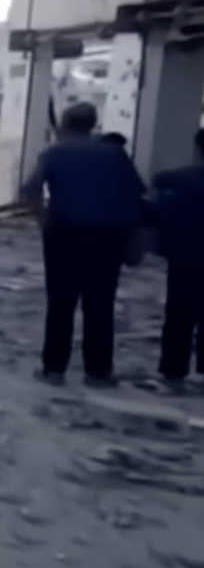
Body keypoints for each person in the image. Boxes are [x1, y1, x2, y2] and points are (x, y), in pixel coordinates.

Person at [20, 101, 147, 387]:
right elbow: (136, 197)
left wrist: (45, 220)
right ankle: (98, 372)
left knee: (61, 304)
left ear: (65, 123)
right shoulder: (115, 154)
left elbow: (30, 191)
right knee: (100, 304)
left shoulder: (54, 153)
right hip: (107, 237)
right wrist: (134, 238)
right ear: (93, 124)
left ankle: (54, 369)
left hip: (65, 234)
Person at [153, 128, 204, 389]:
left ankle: (173, 371)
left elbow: (155, 211)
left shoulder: (173, 180)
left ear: (197, 149)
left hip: (184, 257)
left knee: (178, 315)